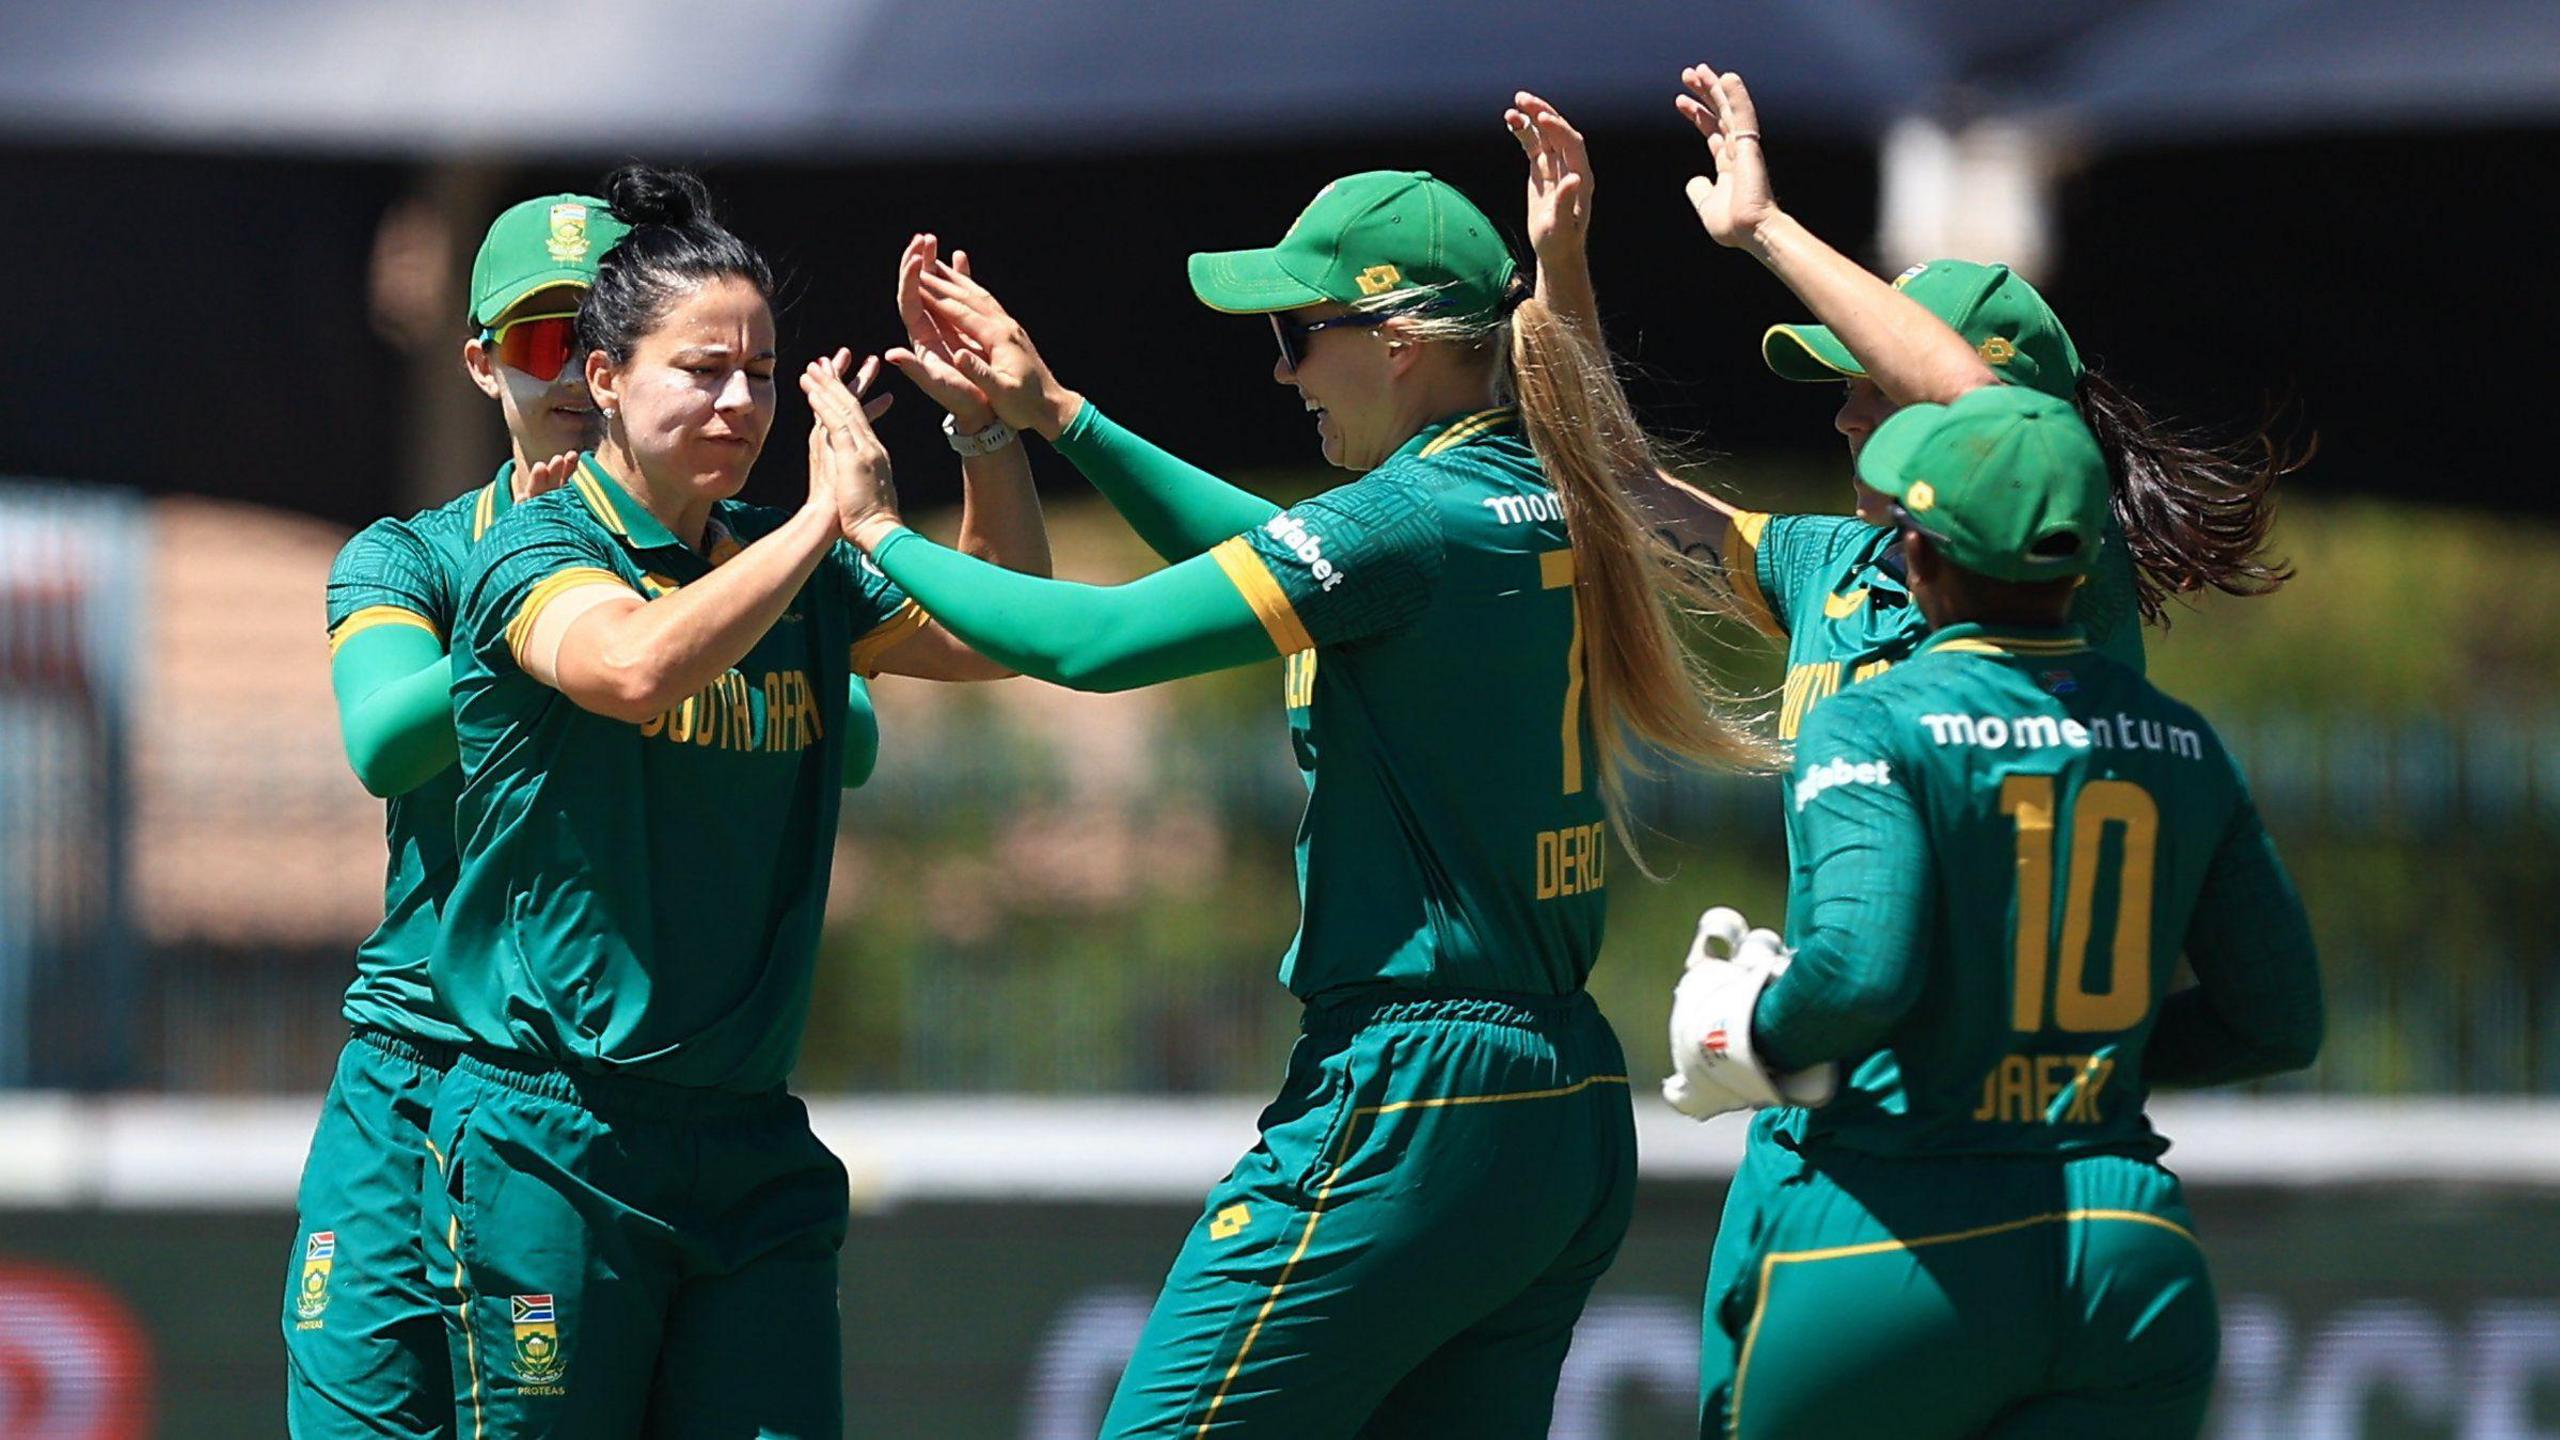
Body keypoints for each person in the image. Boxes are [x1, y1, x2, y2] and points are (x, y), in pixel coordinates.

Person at [798, 167, 1767, 1436]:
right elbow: (1278, 555)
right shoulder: (1531, 494)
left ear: (1402, 344)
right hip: (1560, 1105)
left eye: (1297, 337)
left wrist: (873, 530)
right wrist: (1056, 418)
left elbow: (1094, 645)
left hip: (1411, 1095)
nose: (1283, 374)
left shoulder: (1410, 520)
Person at [418, 166, 1046, 1437]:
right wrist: (823, 520)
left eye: (761, 373)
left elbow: (1005, 628)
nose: (739, 400)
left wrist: (985, 435)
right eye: (700, 370)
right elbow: (636, 667)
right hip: (557, 1135)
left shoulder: (784, 556)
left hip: (748, 1145)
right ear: (603, 383)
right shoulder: (536, 549)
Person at [287, 190, 894, 1437]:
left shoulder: (705, 564)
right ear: (480, 363)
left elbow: (854, 738)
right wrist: (538, 631)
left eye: (592, 339)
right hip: (422, 1066)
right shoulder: (427, 555)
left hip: (594, 1092)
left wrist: (689, 603)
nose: (567, 374)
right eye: (537, 342)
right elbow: (380, 742)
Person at [1660, 380, 2322, 1437]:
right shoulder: (2180, 739)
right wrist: (2075, 1055)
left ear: (1917, 552)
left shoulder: (1875, 720)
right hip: (2125, 1250)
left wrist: (1742, 1032)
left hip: (1893, 1233)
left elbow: (1856, 979)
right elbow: (2279, 1022)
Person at [1504, 79, 2297, 740]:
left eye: (1882, 391)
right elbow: (1613, 483)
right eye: (1848, 391)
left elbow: (1977, 410)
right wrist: (1562, 266)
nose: (1847, 421)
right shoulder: (1825, 567)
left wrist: (1765, 229)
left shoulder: (2065, 567)